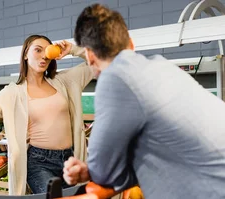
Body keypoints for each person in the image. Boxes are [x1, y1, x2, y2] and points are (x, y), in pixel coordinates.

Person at [62, 4, 225, 199]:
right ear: (131, 44)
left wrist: (92, 170)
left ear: (89, 55)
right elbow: (165, 152)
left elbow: (103, 172)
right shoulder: (163, 67)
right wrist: (94, 170)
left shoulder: (115, 77)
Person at [0, 35, 94, 195]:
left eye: (47, 52)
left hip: (70, 159)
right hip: (39, 162)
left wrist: (72, 49)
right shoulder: (13, 92)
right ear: (25, 54)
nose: (44, 56)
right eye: (38, 50)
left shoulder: (64, 81)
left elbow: (99, 60)